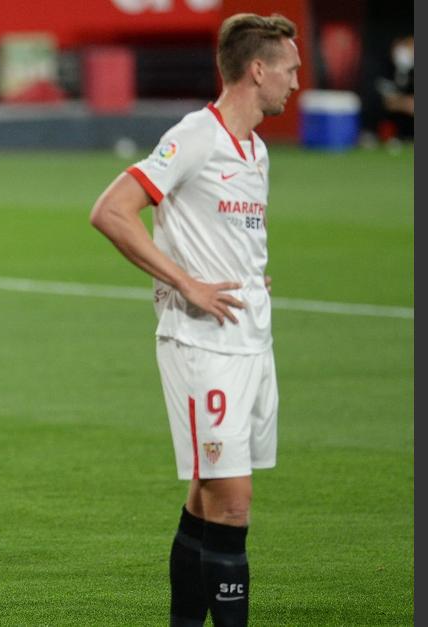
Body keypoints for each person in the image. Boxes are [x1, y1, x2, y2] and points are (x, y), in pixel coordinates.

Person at [89, 13, 299, 627]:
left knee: (208, 498)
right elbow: (112, 211)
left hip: (252, 340)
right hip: (201, 345)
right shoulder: (196, 136)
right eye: (289, 69)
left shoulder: (256, 150)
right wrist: (187, 283)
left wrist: (250, 277)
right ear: (257, 70)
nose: (295, 81)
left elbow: (229, 234)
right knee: (234, 503)